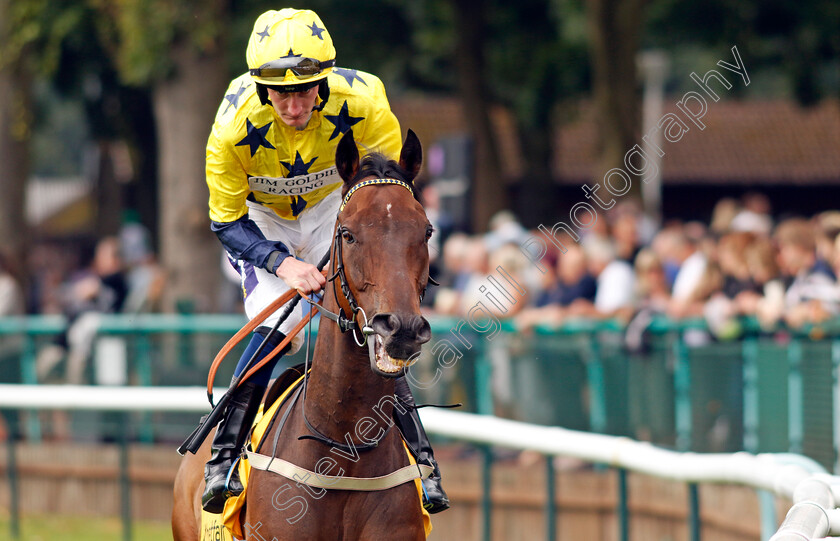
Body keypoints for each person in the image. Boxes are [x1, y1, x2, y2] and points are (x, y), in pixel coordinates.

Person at [199, 8, 448, 514]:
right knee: (279, 321)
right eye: (279, 92)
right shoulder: (229, 131)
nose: (292, 105)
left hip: (339, 205)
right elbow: (226, 223)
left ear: (324, 82)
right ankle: (223, 457)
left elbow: (385, 194)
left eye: (305, 89)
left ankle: (422, 458)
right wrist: (282, 264)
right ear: (260, 87)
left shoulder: (368, 102)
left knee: (376, 322)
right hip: (262, 221)